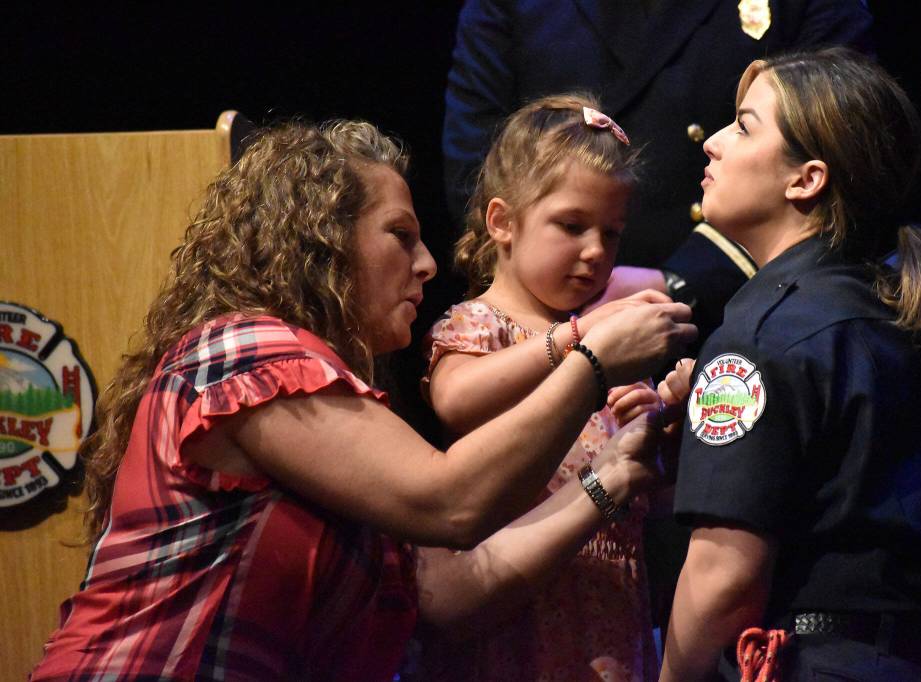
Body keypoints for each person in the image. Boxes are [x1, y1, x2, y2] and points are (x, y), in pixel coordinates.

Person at [28, 120, 694, 682]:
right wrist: (591, 358)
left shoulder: (346, 403)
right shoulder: (247, 352)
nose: (428, 263)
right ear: (322, 241)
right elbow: (450, 501)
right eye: (400, 236)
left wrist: (611, 475)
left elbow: (457, 595)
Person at [657, 49, 921, 681]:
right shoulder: (905, 311)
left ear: (805, 179)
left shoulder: (760, 334)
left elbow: (724, 578)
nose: (714, 144)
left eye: (745, 126)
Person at [414, 93, 675, 682]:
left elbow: (649, 501)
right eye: (572, 225)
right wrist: (580, 340)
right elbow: (456, 398)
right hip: (515, 614)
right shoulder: (478, 324)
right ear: (503, 221)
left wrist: (656, 420)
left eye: (611, 233)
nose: (596, 252)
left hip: (604, 609)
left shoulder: (610, 343)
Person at [441, 0, 874, 269]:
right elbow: (477, 165)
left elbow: (844, 147)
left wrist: (683, 284)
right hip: (548, 306)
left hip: (726, 297)